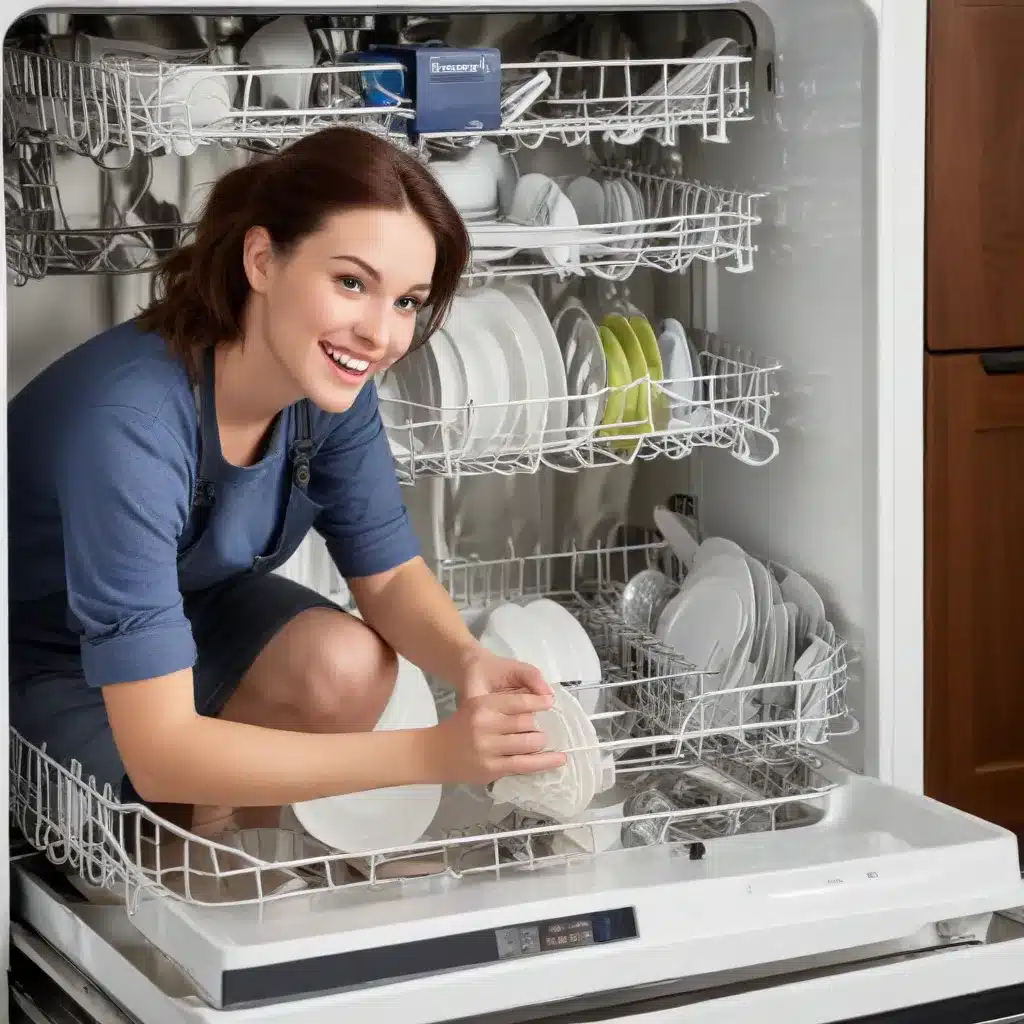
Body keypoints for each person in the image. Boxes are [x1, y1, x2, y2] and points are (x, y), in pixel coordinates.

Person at [8, 126, 565, 838]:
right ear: (263, 259)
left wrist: (468, 661)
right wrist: (431, 754)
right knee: (174, 806)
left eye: (406, 301)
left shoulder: (329, 387)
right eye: (352, 282)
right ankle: (199, 849)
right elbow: (162, 754)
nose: (380, 334)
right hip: (48, 655)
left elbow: (390, 577)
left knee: (350, 664)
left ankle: (233, 844)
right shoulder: (131, 425)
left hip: (189, 615)